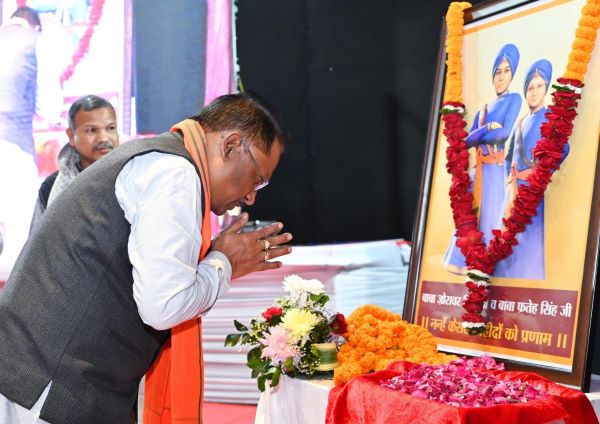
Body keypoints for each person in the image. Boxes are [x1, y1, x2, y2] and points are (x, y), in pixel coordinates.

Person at [0, 92, 293, 423]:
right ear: (230, 146)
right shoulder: (175, 172)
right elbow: (162, 305)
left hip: (33, 371)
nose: (251, 197)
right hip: (49, 386)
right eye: (257, 179)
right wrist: (222, 263)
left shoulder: (160, 159)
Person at [444, 43, 522, 274]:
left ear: (512, 74)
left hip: (496, 170)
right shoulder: (484, 110)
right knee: (469, 216)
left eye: (506, 71)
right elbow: (467, 141)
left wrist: (481, 135)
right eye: (498, 71)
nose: (501, 76)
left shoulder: (514, 99)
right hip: (479, 171)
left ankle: (485, 266)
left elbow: (503, 134)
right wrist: (486, 127)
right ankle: (463, 263)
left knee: (491, 217)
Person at [0, 6, 62, 282]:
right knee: (17, 249)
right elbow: (50, 106)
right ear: (35, 27)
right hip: (13, 148)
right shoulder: (35, 43)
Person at [495, 59, 566, 279]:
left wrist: (542, 174)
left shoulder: (550, 119)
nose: (534, 92)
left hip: (531, 194)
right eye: (530, 87)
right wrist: (509, 180)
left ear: (546, 89)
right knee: (504, 242)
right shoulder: (520, 123)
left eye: (539, 86)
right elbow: (508, 156)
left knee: (528, 241)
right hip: (512, 192)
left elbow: (563, 148)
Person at [30, 95, 119, 229]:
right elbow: (38, 240)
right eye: (91, 130)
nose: (103, 138)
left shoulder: (134, 178)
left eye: (110, 128)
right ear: (71, 136)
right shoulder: (51, 187)